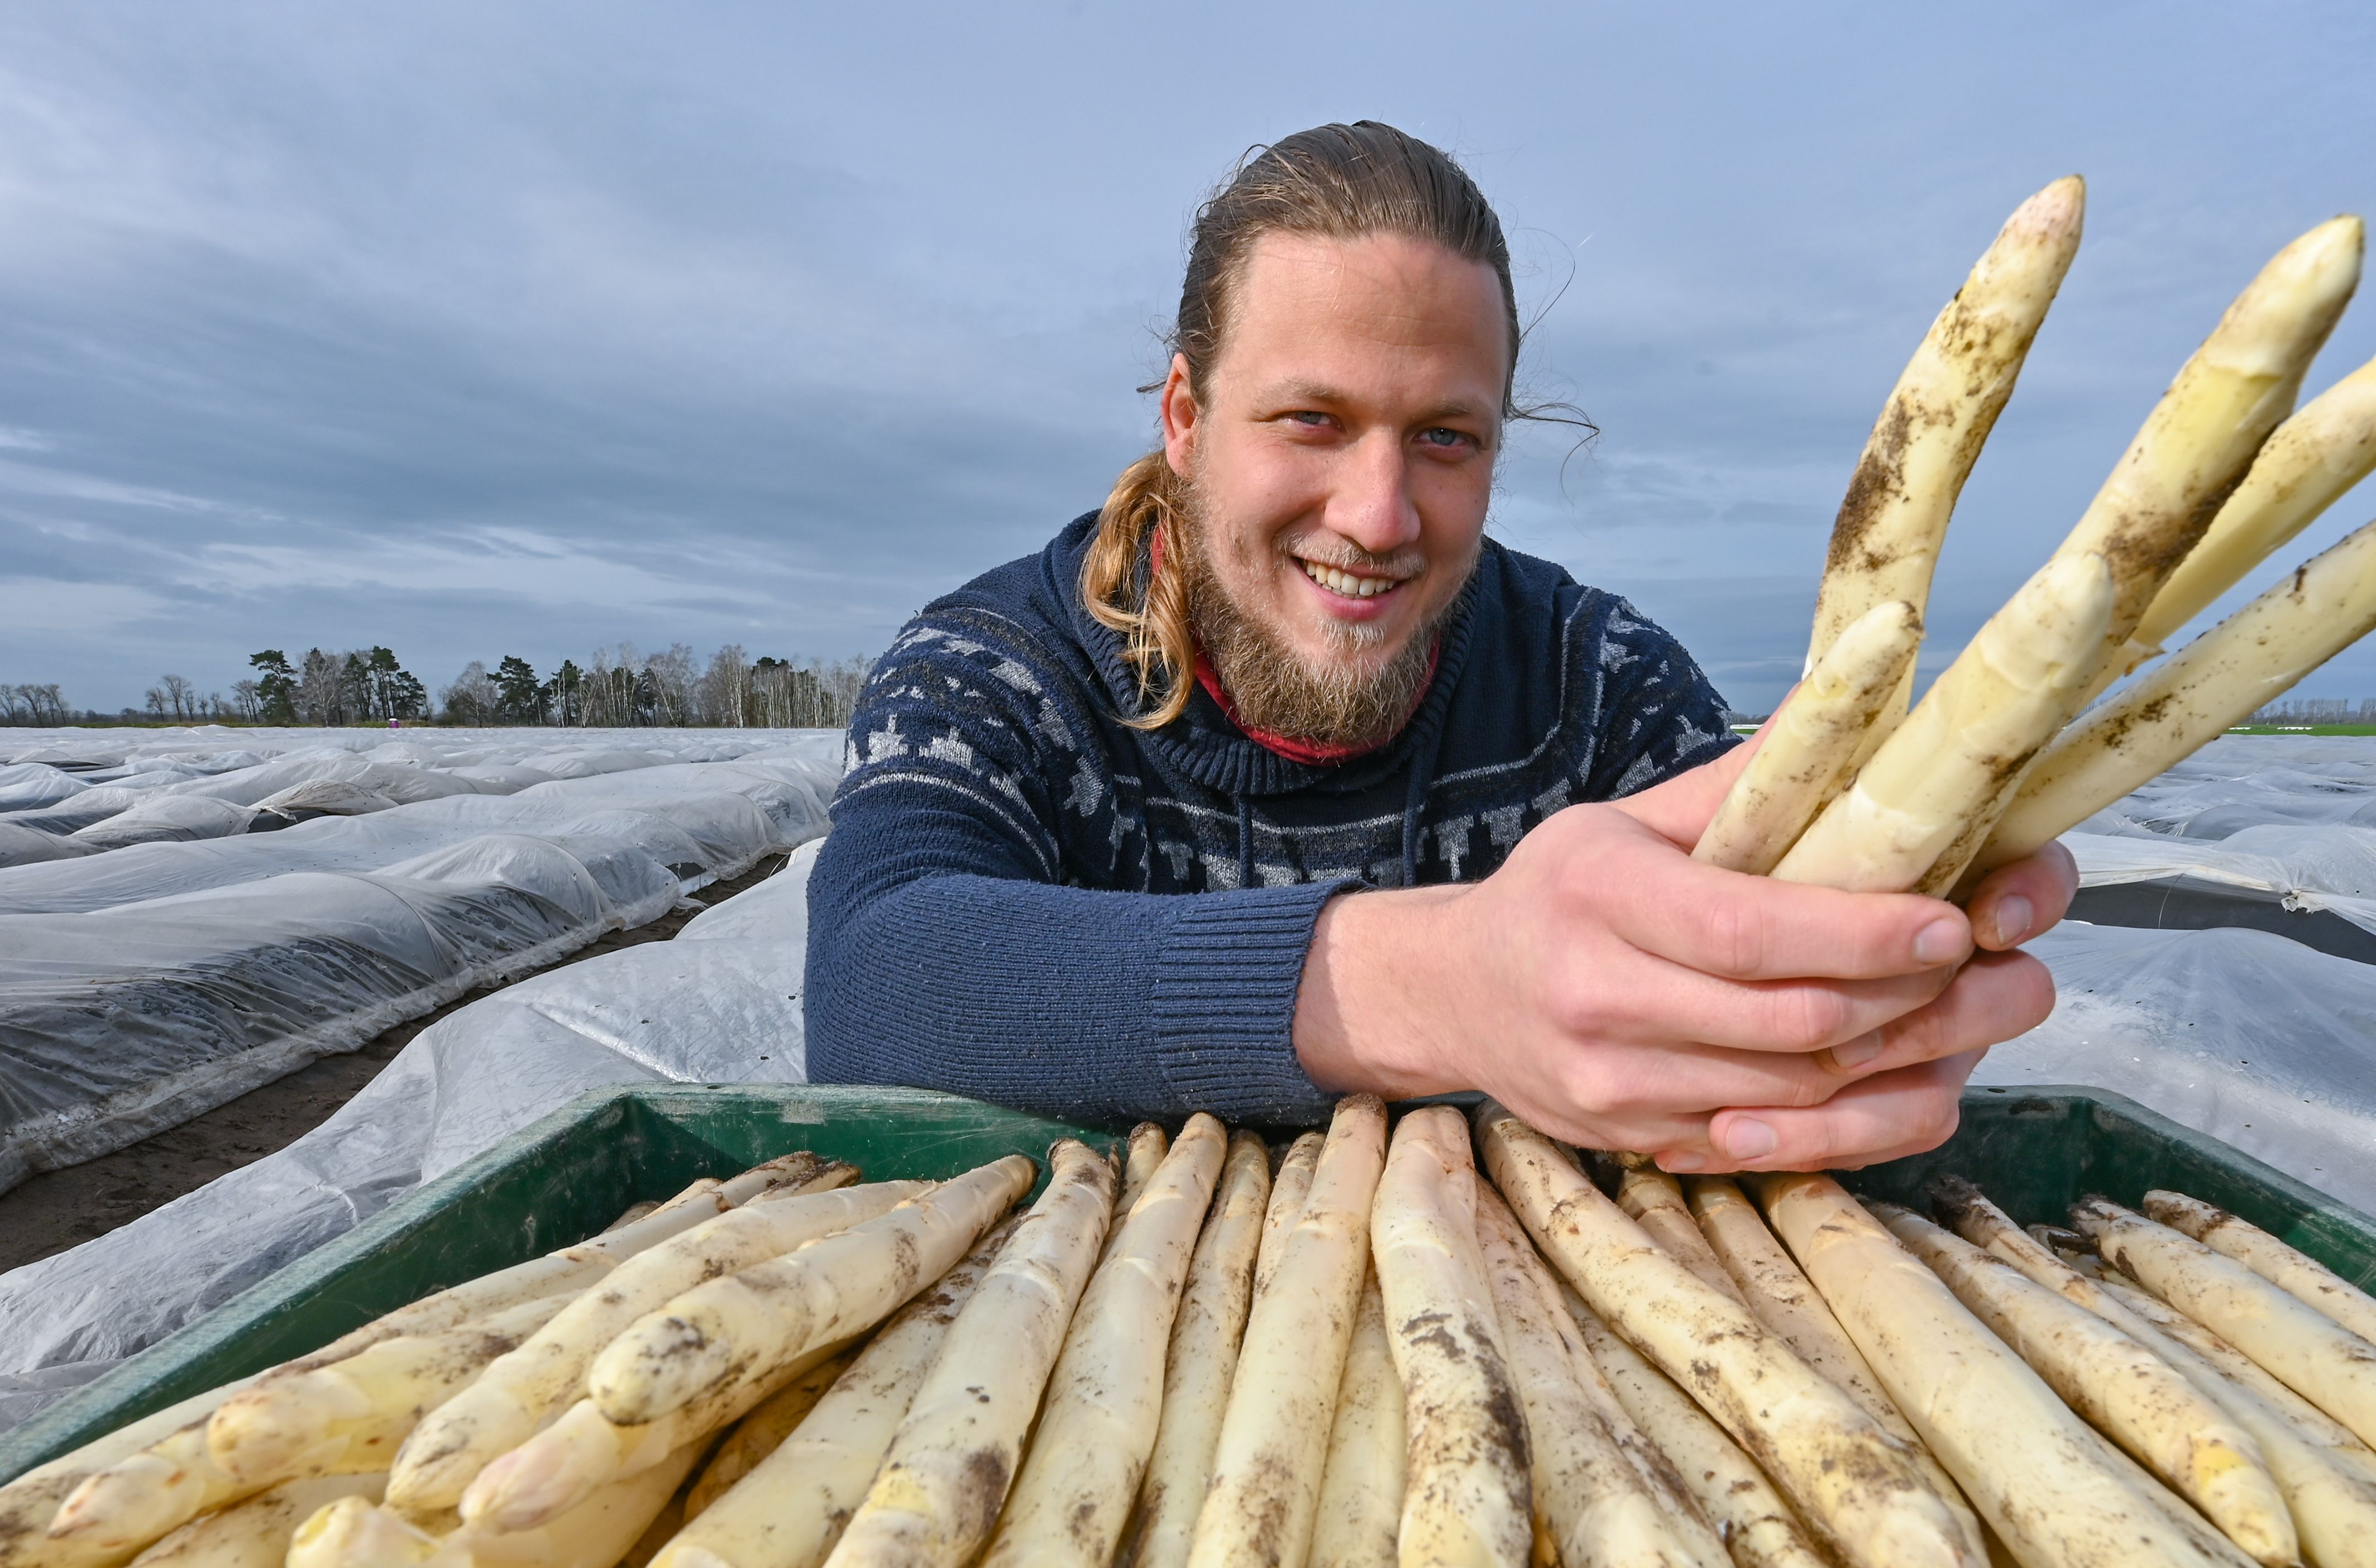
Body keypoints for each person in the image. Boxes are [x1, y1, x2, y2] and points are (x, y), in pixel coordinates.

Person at [805, 121, 2074, 1174]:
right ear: (1188, 418)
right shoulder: (994, 672)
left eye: (1446, 439)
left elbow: (1775, 1008)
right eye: (1312, 420)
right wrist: (1440, 986)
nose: (1378, 514)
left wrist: (1856, 1014)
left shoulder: (1603, 692)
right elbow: (874, 984)